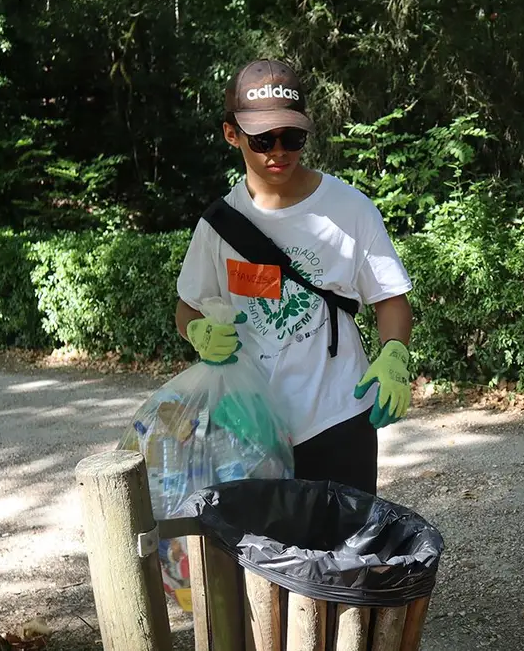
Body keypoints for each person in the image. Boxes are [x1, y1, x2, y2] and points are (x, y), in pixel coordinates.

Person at [174, 58, 415, 496]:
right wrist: (196, 330)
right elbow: (188, 303)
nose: (278, 151)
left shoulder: (350, 208)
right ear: (232, 134)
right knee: (269, 557)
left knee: (344, 553)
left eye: (292, 137)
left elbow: (390, 296)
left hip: (340, 414)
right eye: (262, 139)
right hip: (249, 421)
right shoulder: (217, 226)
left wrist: (395, 353)